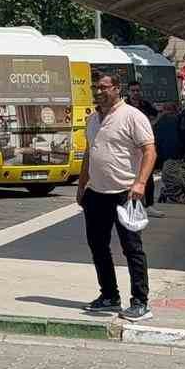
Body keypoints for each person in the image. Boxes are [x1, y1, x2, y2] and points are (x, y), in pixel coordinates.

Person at [79, 73, 157, 322]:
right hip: (96, 193)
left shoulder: (132, 116)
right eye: (95, 87)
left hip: (125, 192)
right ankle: (109, 295)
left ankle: (140, 301)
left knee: (132, 248)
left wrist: (141, 183)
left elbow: (149, 151)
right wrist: (82, 187)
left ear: (116, 88)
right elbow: (89, 154)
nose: (98, 91)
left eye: (104, 87)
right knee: (98, 246)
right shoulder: (92, 119)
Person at [153, 100, 185, 208]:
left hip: (169, 155)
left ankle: (172, 193)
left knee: (171, 175)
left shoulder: (161, 121)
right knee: (181, 175)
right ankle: (177, 193)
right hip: (180, 155)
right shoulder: (179, 119)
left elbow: (157, 139)